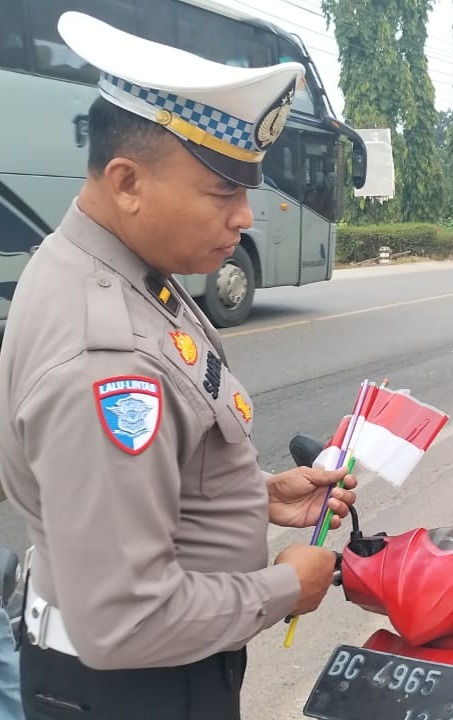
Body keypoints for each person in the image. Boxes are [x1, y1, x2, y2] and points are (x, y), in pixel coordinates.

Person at [0, 12, 355, 720]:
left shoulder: (109, 266)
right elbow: (125, 620)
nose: (245, 217)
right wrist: (286, 586)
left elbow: (153, 470)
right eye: (223, 193)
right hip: (141, 691)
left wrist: (255, 494)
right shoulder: (105, 360)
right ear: (128, 181)